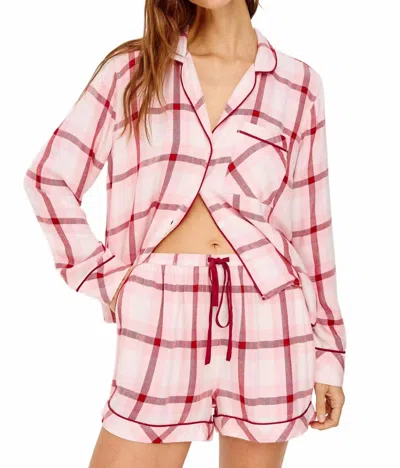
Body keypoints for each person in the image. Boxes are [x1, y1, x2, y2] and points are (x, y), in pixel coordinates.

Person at [23, 0, 347, 467]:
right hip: (160, 306)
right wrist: (111, 281)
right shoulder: (133, 71)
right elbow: (49, 179)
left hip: (268, 312)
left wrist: (329, 352)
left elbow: (311, 229)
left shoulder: (298, 85)